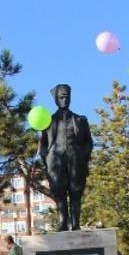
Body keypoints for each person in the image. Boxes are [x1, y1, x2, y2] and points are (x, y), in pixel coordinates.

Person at [39, 83, 93, 231]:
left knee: (76, 192)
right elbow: (42, 145)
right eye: (61, 97)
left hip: (76, 161)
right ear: (56, 99)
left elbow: (89, 142)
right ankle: (63, 223)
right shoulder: (47, 121)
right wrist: (46, 159)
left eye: (67, 97)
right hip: (56, 162)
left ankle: (75, 224)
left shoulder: (81, 120)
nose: (65, 100)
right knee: (59, 192)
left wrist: (82, 155)